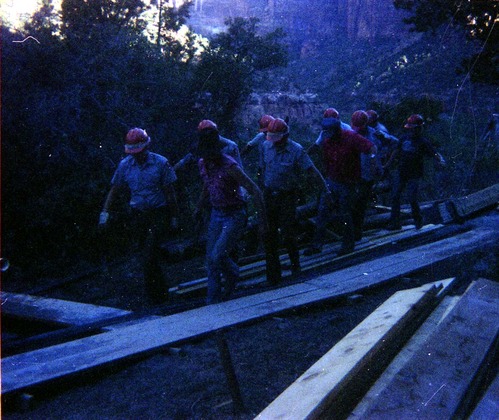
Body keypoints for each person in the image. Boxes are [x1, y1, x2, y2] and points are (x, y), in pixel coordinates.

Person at [99, 128, 179, 303]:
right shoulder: (125, 166)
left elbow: (170, 193)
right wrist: (104, 212)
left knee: (149, 254)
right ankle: (158, 294)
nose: (137, 155)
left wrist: (173, 217)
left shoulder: (160, 163)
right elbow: (114, 190)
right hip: (138, 214)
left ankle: (158, 296)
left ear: (146, 147)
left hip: (158, 213)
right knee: (146, 255)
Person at [195, 126, 267, 304]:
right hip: (217, 212)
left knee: (217, 255)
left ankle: (233, 274)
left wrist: (262, 222)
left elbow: (255, 190)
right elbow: (207, 184)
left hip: (234, 213)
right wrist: (199, 205)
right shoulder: (203, 164)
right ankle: (213, 300)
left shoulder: (230, 166)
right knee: (210, 259)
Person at [260, 118, 331, 281]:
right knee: (269, 234)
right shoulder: (265, 146)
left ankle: (295, 266)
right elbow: (263, 169)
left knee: (288, 233)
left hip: (287, 195)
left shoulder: (296, 150)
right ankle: (273, 274)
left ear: (286, 136)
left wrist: (326, 190)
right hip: (269, 194)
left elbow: (312, 171)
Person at [304, 117, 377, 256]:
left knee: (345, 213)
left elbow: (371, 147)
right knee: (322, 212)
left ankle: (348, 244)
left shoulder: (351, 137)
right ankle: (316, 245)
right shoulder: (327, 141)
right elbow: (326, 160)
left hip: (348, 183)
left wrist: (372, 164)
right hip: (332, 181)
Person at [385, 114, 446, 230]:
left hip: (414, 174)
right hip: (402, 172)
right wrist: (388, 164)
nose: (412, 131)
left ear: (418, 129)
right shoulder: (403, 139)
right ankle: (395, 223)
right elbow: (396, 151)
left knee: (412, 198)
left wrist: (440, 160)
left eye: (414, 128)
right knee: (395, 196)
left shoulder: (423, 142)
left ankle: (418, 221)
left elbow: (433, 153)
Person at [351, 110, 383, 241]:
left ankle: (356, 233)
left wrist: (379, 166)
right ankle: (354, 231)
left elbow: (384, 147)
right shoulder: (352, 134)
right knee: (356, 203)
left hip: (367, 174)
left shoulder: (375, 134)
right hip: (355, 174)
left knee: (360, 203)